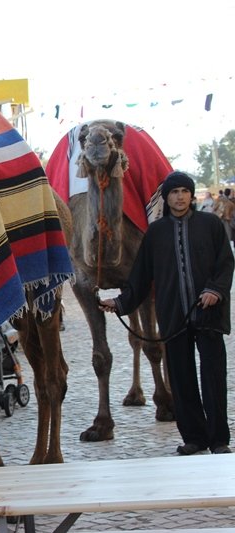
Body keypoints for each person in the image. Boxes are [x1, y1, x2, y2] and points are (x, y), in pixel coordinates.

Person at [99, 171, 233, 456]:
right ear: (166, 197)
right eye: (174, 192)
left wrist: (214, 291)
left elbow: (225, 264)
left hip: (208, 314)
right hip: (173, 317)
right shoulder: (156, 233)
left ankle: (219, 438)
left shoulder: (210, 225)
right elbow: (141, 276)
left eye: (185, 191)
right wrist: (121, 303)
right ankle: (194, 437)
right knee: (182, 380)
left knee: (213, 378)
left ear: (191, 195)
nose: (180, 197)